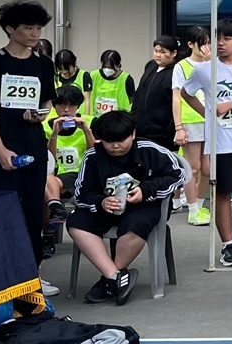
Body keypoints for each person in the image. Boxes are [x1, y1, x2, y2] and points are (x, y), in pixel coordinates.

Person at [67, 109, 184, 305]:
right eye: (108, 141)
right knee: (76, 222)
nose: (115, 146)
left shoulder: (150, 150)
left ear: (133, 134)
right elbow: (81, 194)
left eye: (121, 140)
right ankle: (114, 276)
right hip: (105, 210)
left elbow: (178, 175)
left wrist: (145, 191)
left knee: (136, 225)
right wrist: (101, 201)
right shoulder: (93, 156)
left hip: (144, 207)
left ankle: (107, 281)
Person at [0, 0, 56, 266]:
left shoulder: (44, 64)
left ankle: (33, 271)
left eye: (39, 28)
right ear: (10, 28)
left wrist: (40, 114)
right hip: (2, 147)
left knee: (33, 210)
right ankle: (3, 270)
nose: (35, 33)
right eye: (29, 27)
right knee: (3, 209)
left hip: (34, 146)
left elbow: (47, 102)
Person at [180, 19, 232, 266]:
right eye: (217, 37)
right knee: (223, 194)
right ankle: (228, 245)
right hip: (221, 144)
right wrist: (207, 113)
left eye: (227, 38)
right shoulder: (205, 69)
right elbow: (186, 93)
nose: (220, 43)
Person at [171, 26, 211, 225]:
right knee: (193, 167)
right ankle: (193, 210)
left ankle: (200, 206)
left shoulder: (214, 64)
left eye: (208, 43)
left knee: (208, 169)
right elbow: (176, 97)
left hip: (211, 121)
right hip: (190, 121)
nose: (205, 47)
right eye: (201, 43)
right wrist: (178, 127)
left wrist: (211, 62)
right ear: (190, 44)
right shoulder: (182, 66)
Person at [43, 85, 92, 236]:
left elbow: (95, 154)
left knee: (46, 185)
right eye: (62, 104)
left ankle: (48, 233)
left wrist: (86, 131)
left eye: (71, 105)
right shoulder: (45, 126)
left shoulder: (90, 122)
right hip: (54, 174)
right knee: (44, 184)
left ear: (78, 106)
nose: (66, 110)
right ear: (54, 106)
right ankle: (49, 232)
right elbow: (49, 158)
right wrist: (54, 134)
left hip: (80, 174)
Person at [132, 37, 181, 150]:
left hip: (163, 131)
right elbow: (139, 94)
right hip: (141, 128)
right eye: (156, 51)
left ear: (174, 53)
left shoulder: (177, 71)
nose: (158, 55)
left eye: (162, 52)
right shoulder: (151, 66)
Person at [84, 49, 134, 117]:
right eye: (105, 67)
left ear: (118, 65)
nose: (107, 69)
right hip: (96, 119)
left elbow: (132, 100)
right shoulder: (93, 76)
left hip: (118, 120)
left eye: (110, 67)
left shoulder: (126, 79)